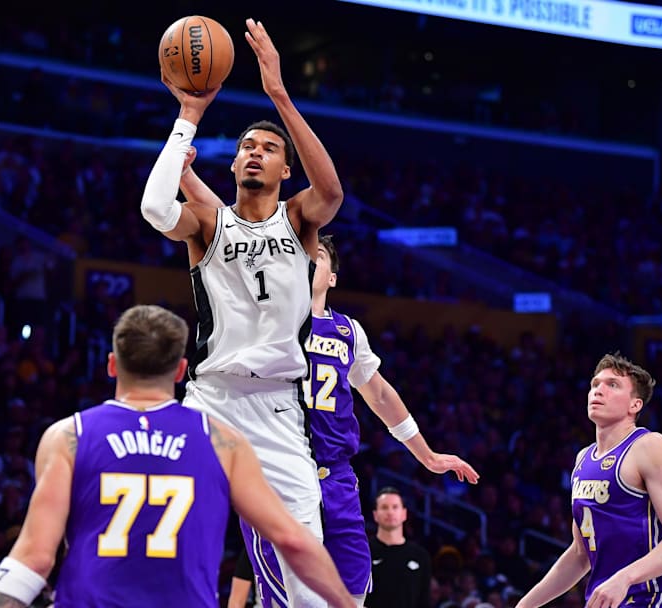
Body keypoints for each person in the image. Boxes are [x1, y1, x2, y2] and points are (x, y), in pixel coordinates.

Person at [180, 189, 481, 607]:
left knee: (352, 591)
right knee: (286, 595)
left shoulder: (348, 331)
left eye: (316, 254)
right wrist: (188, 175)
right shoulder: (266, 321)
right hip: (279, 465)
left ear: (332, 275)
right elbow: (235, 231)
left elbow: (378, 392)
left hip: (336, 477)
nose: (306, 257)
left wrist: (426, 455)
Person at [140, 17, 344, 607]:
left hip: (280, 409)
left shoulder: (300, 219)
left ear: (286, 171)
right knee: (168, 542)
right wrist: (189, 115)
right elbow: (156, 208)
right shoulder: (209, 223)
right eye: (247, 147)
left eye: (269, 148)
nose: (255, 152)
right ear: (231, 167)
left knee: (308, 567)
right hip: (210, 404)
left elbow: (331, 193)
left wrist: (279, 94)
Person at [0, 305, 354, 608]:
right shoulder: (222, 441)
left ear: (112, 364)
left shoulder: (69, 436)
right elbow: (292, 539)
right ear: (179, 370)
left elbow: (34, 558)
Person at [516, 353, 662, 608]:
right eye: (595, 384)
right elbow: (581, 555)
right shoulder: (583, 459)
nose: (598, 390)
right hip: (606, 600)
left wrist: (624, 579)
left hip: (653, 598)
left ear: (635, 405)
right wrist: (525, 605)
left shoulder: (650, 447)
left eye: (612, 385)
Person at [364, 488, 431, 608]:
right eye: (384, 507)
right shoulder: (364, 552)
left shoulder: (420, 555)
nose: (390, 512)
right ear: (375, 515)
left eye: (395, 507)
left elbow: (424, 600)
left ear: (404, 513)